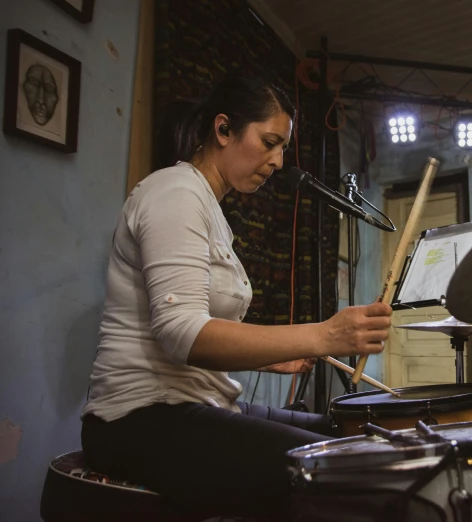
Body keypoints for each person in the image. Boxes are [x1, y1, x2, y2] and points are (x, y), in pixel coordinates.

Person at [80, 76, 392, 519]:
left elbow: (191, 326)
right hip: (139, 418)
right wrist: (324, 335)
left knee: (347, 433)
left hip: (197, 401)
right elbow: (181, 335)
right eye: (269, 142)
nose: (278, 161)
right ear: (223, 130)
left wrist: (268, 357)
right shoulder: (174, 193)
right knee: (348, 471)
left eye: (282, 147)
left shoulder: (209, 209)